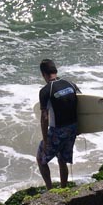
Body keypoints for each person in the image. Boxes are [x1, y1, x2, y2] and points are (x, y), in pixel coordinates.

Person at [36, 59, 80, 189]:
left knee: (41, 158)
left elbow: (44, 117)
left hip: (58, 131)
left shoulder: (46, 91)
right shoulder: (70, 84)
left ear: (43, 74)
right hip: (72, 128)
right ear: (56, 71)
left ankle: (50, 190)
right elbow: (81, 105)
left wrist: (45, 140)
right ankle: (64, 188)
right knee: (62, 160)